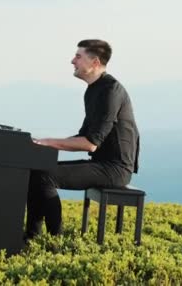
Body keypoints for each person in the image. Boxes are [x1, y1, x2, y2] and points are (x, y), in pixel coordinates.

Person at [26, 39, 140, 239]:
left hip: (116, 169)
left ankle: (56, 240)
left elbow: (90, 143)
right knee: (36, 171)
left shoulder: (110, 91)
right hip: (101, 164)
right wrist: (42, 143)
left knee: (45, 176)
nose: (72, 61)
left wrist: (49, 142)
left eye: (78, 56)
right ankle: (31, 237)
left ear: (95, 62)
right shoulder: (93, 90)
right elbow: (83, 136)